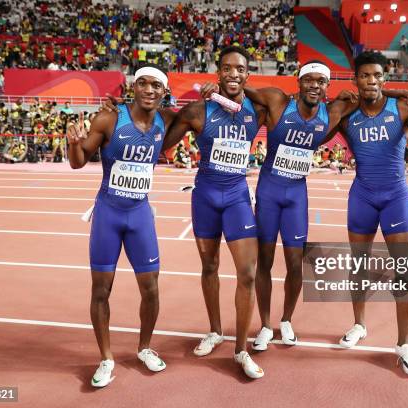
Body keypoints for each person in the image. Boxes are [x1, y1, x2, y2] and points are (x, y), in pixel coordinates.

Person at [199, 59, 408, 352]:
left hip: (296, 195)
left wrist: (405, 95)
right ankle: (266, 325)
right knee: (264, 262)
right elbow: (241, 88)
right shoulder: (277, 100)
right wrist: (217, 88)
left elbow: (372, 89)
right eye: (309, 80)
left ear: (328, 86)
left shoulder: (335, 111)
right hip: (269, 190)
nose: (314, 86)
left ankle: (287, 320)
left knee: (295, 263)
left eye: (321, 81)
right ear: (299, 81)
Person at [333, 50, 408, 377]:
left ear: (384, 78)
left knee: (404, 271)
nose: (371, 80)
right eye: (365, 75)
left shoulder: (402, 108)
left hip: (395, 196)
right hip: (362, 196)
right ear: (356, 79)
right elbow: (320, 128)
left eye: (377, 75)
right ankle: (359, 325)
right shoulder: (346, 113)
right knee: (358, 265)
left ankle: (403, 345)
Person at [160, 46, 268, 379]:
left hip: (237, 196)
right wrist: (167, 107)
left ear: (247, 75)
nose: (233, 74)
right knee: (209, 265)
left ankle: (241, 350)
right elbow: (164, 141)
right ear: (218, 73)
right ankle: (215, 330)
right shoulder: (198, 111)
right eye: (227, 68)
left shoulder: (259, 109)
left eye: (240, 69)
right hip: (205, 195)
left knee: (247, 274)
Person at [67, 66, 175, 388]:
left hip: (140, 215)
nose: (149, 89)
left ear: (164, 92)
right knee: (101, 290)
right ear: (133, 86)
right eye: (143, 83)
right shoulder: (109, 119)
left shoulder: (167, 121)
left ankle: (144, 347)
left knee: (151, 288)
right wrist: (73, 142)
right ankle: (106, 358)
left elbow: (200, 116)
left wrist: (214, 96)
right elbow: (77, 160)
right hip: (109, 214)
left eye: (156, 85)